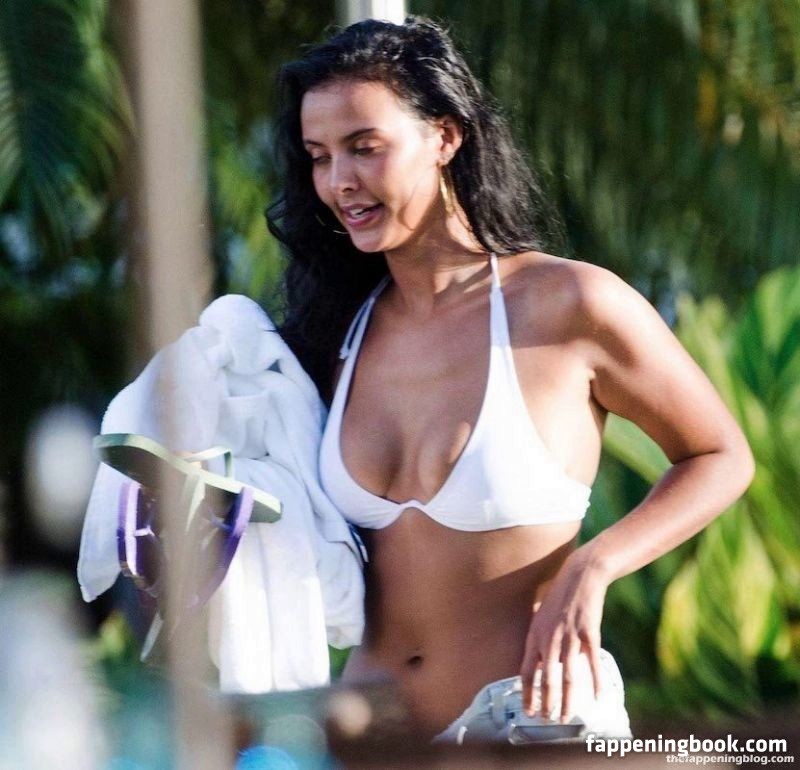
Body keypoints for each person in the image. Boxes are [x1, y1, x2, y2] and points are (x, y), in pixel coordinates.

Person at [267, 16, 755, 744]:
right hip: (374, 736)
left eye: (365, 148)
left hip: (534, 725)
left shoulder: (569, 305)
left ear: (445, 137)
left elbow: (721, 455)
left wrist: (594, 565)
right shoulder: (334, 336)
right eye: (319, 156)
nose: (339, 181)